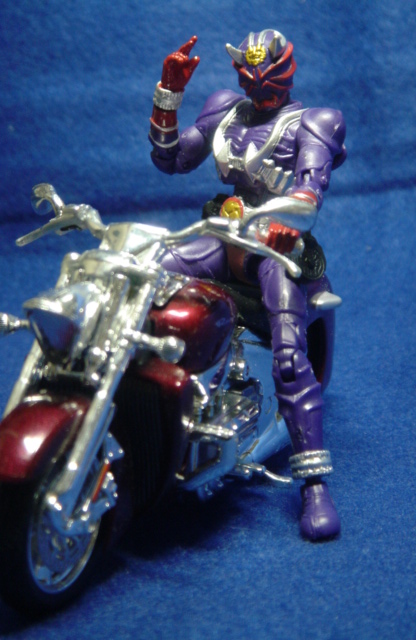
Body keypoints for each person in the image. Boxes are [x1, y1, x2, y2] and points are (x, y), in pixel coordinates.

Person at [149, 30, 347, 541]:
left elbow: (310, 187)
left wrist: (290, 220)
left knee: (289, 356)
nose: (258, 85)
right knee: (150, 272)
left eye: (267, 75)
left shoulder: (315, 122)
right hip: (224, 235)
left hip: (275, 248)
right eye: (250, 75)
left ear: (285, 71)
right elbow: (172, 159)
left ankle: (315, 486)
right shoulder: (224, 110)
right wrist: (168, 95)